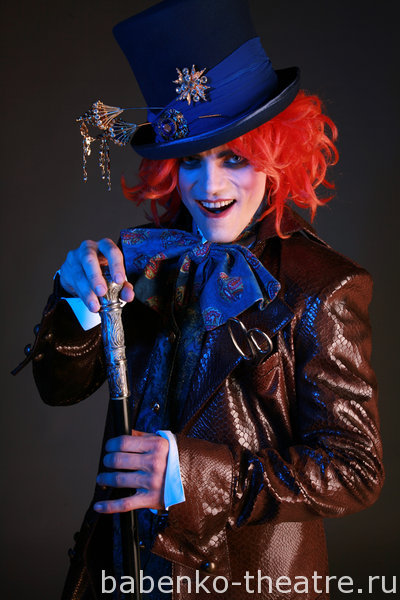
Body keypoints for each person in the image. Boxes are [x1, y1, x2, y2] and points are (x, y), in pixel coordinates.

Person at [14, 0, 384, 598]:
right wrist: (79, 302)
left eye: (235, 158)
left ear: (276, 156)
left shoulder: (325, 288)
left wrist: (195, 475)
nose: (209, 186)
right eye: (191, 160)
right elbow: (58, 389)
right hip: (124, 570)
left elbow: (355, 470)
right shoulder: (145, 261)